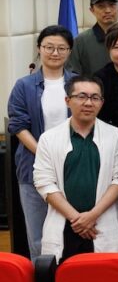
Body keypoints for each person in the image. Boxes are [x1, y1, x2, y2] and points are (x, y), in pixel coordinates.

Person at [33, 76, 118, 262]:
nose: (88, 103)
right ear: (67, 100)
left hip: (101, 225)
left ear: (102, 102)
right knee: (62, 277)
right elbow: (44, 183)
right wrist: (77, 219)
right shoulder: (49, 138)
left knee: (103, 276)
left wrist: (92, 216)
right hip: (65, 226)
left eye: (95, 98)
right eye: (81, 96)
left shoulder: (116, 136)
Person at [7, 25, 75, 259]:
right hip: (33, 165)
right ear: (39, 49)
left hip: (72, 165)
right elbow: (18, 125)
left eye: (61, 48)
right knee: (38, 235)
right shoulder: (24, 85)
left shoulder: (78, 83)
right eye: (49, 47)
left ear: (69, 51)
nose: (55, 53)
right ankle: (42, 279)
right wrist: (45, 155)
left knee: (71, 231)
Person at [68, 0, 118, 77]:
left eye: (112, 5)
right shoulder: (80, 41)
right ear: (92, 10)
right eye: (101, 6)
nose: (107, 10)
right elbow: (72, 75)